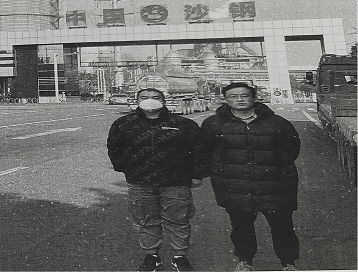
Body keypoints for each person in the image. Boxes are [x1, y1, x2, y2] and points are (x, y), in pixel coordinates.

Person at [199, 82, 300, 271]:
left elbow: (291, 149)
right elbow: (205, 151)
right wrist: (221, 170)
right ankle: (245, 261)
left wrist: (276, 168)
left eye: (244, 96)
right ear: (225, 99)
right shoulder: (213, 124)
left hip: (274, 185)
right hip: (234, 185)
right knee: (241, 227)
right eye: (233, 96)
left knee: (282, 226)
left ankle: (288, 263)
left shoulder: (277, 122)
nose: (239, 100)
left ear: (254, 98)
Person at [107, 88, 205, 271]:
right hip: (140, 182)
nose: (150, 100)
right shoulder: (124, 124)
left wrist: (197, 174)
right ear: (137, 101)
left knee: (179, 220)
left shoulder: (183, 124)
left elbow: (199, 150)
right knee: (146, 220)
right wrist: (126, 168)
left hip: (176, 182)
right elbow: (114, 148)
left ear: (164, 101)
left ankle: (179, 257)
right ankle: (151, 256)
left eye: (155, 97)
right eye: (144, 97)